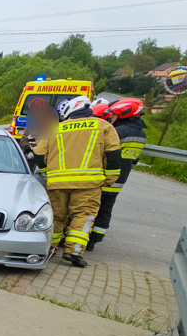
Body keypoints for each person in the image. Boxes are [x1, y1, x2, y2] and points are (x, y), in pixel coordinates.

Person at [33, 96, 122, 267]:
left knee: (57, 216)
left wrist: (46, 172)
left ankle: (49, 247)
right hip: (88, 183)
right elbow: (113, 155)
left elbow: (38, 154)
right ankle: (73, 252)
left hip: (57, 183)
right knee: (83, 215)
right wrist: (110, 178)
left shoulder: (56, 128)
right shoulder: (103, 126)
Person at [88, 97, 147, 250]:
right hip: (120, 180)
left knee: (90, 208)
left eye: (114, 115)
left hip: (104, 177)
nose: (111, 118)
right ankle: (93, 240)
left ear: (124, 114)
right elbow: (134, 159)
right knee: (106, 209)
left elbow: (102, 152)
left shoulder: (118, 131)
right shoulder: (141, 135)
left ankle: (81, 238)